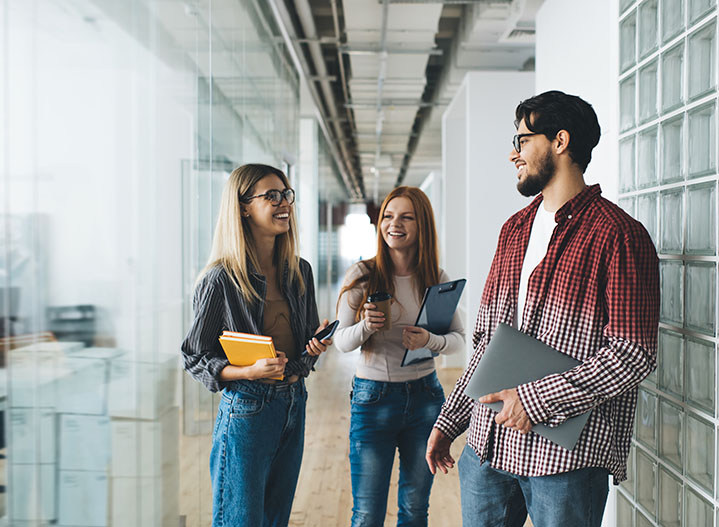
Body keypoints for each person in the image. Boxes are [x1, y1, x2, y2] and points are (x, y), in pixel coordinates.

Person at [425, 90, 660, 527]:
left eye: (522, 140)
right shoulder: (513, 230)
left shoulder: (619, 236)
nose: (513, 153)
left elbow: (632, 354)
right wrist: (450, 420)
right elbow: (485, 344)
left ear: (561, 141)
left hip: (564, 462)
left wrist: (533, 401)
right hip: (487, 447)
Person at [181, 163, 331, 527]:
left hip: (294, 404)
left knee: (275, 520)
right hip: (248, 410)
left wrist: (312, 349)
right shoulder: (220, 279)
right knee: (240, 520)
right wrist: (248, 370)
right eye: (272, 196)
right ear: (244, 206)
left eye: (287, 195)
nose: (284, 204)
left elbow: (302, 348)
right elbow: (195, 357)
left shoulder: (300, 271)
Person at [334, 186, 466, 527]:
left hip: (425, 399)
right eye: (389, 216)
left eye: (406, 217)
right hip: (373, 399)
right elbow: (340, 342)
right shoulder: (361, 275)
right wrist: (365, 327)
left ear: (422, 225)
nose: (395, 224)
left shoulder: (436, 279)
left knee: (415, 510)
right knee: (366, 514)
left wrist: (430, 340)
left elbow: (458, 340)